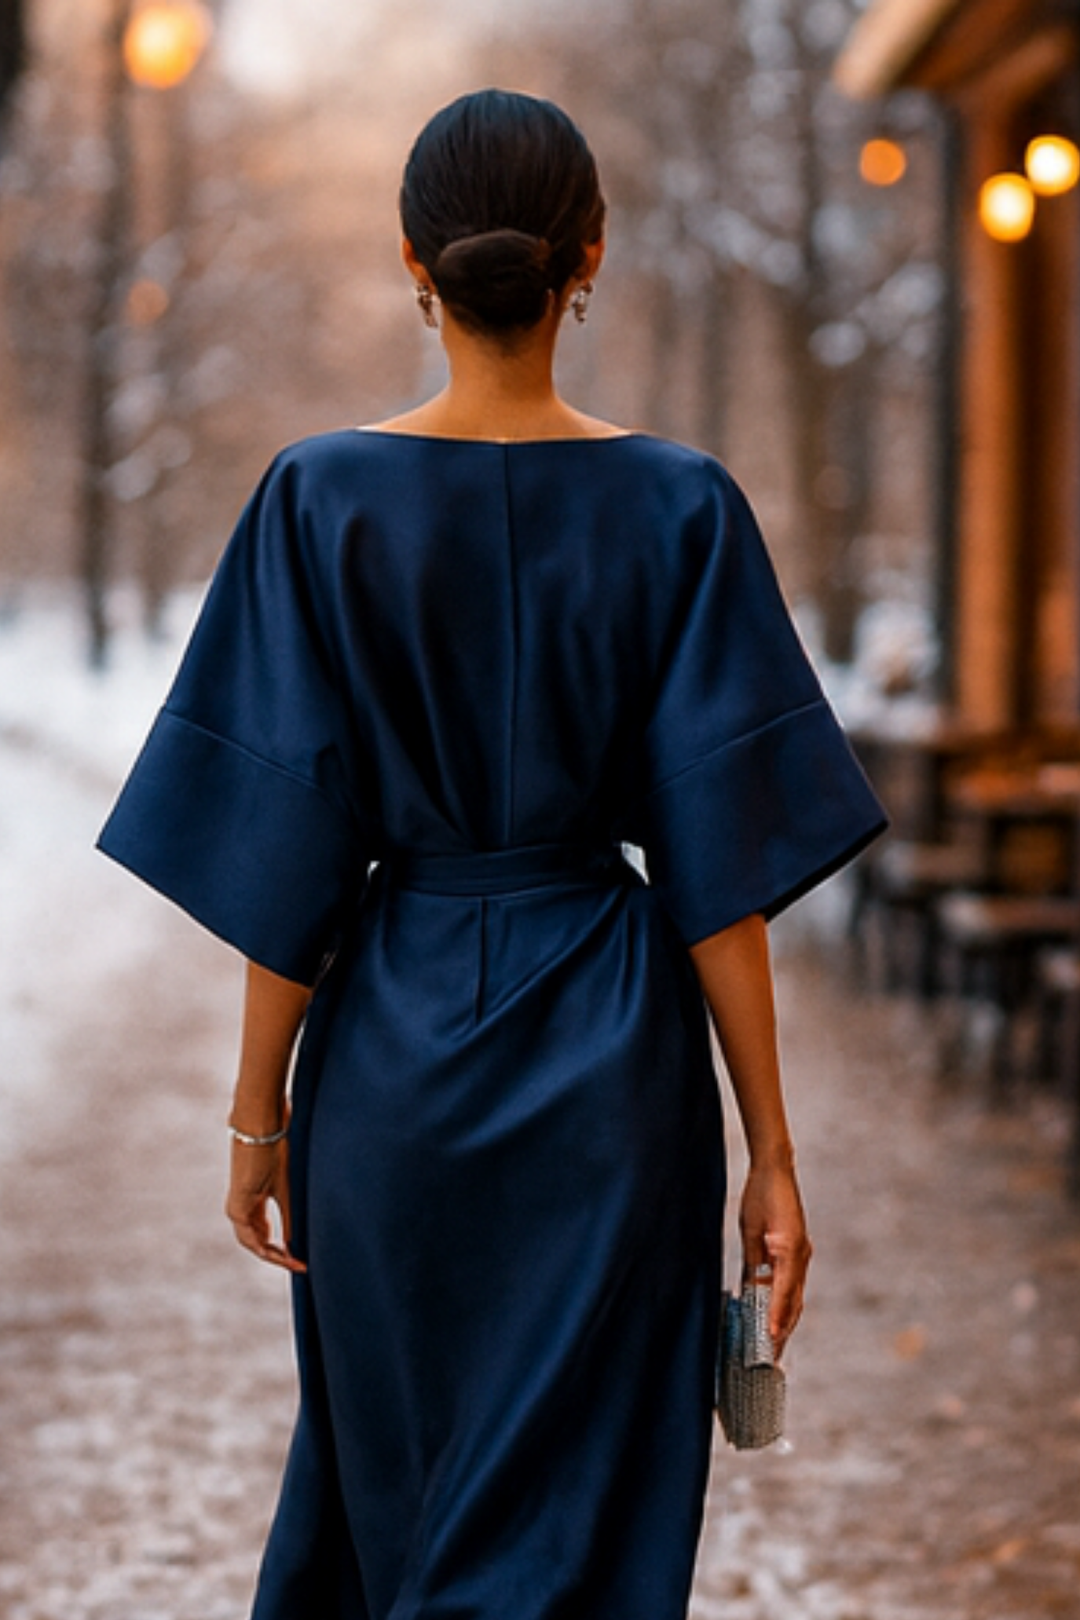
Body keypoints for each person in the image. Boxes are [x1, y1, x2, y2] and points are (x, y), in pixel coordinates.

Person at [99, 88, 885, 1620]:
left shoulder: (316, 500)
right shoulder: (683, 507)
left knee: (403, 1504)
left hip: (388, 1064)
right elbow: (721, 876)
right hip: (615, 1063)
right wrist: (771, 1155)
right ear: (586, 260)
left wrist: (259, 1121)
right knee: (587, 1524)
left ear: (416, 261)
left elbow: (292, 865)